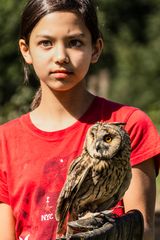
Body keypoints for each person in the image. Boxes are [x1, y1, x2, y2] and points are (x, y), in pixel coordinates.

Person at [0, 0, 159, 239]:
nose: (61, 56)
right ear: (25, 50)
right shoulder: (5, 140)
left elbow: (142, 228)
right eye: (46, 43)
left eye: (75, 42)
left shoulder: (129, 123)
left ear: (95, 49)